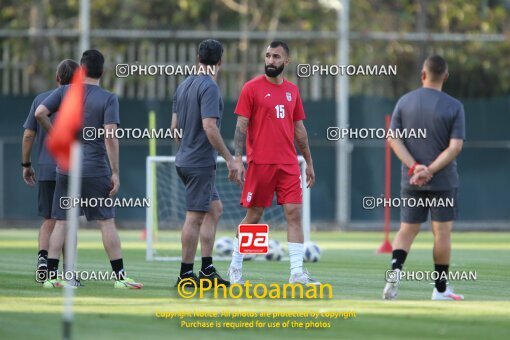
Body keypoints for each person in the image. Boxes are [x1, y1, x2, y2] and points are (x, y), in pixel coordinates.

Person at [35, 49, 142, 289]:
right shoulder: (108, 98)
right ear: (102, 72)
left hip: (65, 168)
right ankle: (120, 278)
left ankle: (52, 278)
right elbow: (111, 136)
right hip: (95, 167)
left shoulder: (64, 91)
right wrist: (115, 171)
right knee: (106, 222)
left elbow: (40, 113)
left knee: (61, 222)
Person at [227, 40, 319, 285]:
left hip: (288, 164)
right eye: (268, 56)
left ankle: (297, 273)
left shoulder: (293, 91)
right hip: (260, 164)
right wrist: (237, 158)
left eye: (276, 57)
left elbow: (299, 129)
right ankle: (235, 268)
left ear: (286, 61)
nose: (270, 60)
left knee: (294, 213)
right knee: (254, 217)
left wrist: (308, 162)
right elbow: (241, 127)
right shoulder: (251, 88)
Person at [383, 55, 465, 300]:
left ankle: (395, 271)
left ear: (422, 74)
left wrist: (415, 168)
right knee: (442, 234)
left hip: (411, 181)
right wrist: (430, 170)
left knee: (406, 230)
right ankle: (440, 290)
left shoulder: (404, 102)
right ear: (446, 77)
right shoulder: (454, 106)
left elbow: (393, 139)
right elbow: (455, 147)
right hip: (443, 182)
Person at [171, 39, 237, 287]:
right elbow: (209, 126)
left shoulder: (185, 84)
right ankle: (185, 274)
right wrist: (230, 159)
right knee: (194, 217)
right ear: (220, 61)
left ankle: (207, 270)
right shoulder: (209, 87)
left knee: (214, 209)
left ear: (198, 58)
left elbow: (174, 128)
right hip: (199, 163)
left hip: (187, 159)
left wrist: (187, 148)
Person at [22, 59, 79, 281]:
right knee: (67, 220)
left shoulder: (40, 99)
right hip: (71, 168)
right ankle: (69, 271)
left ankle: (43, 262)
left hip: (46, 169)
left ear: (57, 78)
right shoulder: (81, 101)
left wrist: (26, 165)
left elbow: (28, 135)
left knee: (49, 219)